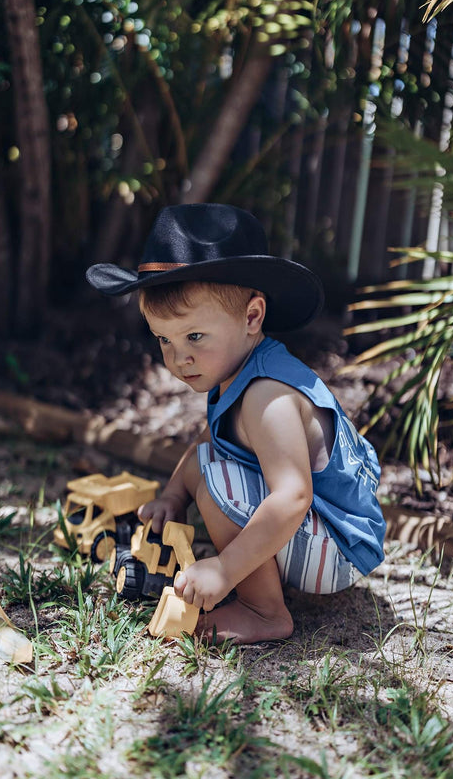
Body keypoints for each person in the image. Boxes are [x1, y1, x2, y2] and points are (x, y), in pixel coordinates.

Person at [86, 203, 386, 644]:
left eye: (194, 337)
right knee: (208, 457)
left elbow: (294, 495)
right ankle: (258, 575)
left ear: (251, 317)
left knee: (215, 478)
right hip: (315, 530)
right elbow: (208, 440)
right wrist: (173, 495)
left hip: (336, 548)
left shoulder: (268, 396)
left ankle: (264, 610)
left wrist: (225, 569)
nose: (178, 357)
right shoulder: (236, 373)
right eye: (164, 340)